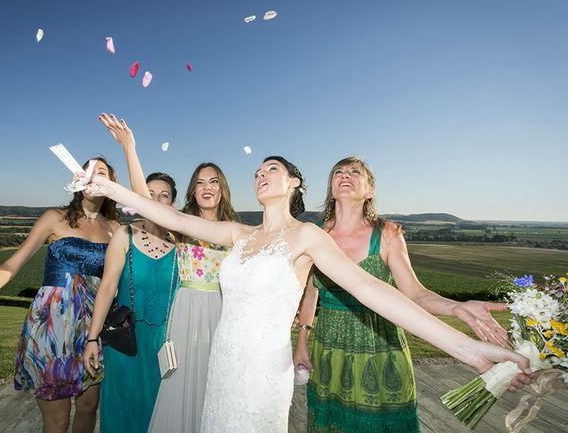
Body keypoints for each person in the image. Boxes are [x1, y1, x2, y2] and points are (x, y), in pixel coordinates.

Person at [83, 155, 531, 433]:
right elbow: (175, 221)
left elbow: (374, 290)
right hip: (223, 363)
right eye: (257, 172)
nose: (261, 175)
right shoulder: (239, 233)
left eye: (272, 170)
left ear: (294, 183)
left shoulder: (309, 239)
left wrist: (467, 349)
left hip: (262, 372)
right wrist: (107, 188)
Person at [294, 156, 526, 433]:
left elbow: (415, 293)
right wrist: (302, 343)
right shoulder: (314, 234)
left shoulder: (388, 234)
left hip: (381, 346)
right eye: (338, 172)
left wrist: (457, 307)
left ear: (369, 190)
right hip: (329, 346)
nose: (345, 175)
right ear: (331, 188)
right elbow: (310, 294)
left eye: (355, 172)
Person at [0, 158, 119, 433]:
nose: (95, 177)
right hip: (51, 326)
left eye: (102, 173)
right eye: (90, 171)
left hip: (94, 327)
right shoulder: (54, 218)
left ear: (112, 185)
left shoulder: (114, 228)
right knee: (56, 420)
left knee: (88, 408)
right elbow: (12, 265)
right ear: (79, 179)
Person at [84, 172, 179, 432]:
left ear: (173, 205)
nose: (156, 200)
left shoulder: (182, 244)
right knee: (122, 411)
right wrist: (92, 338)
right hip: (126, 342)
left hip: (167, 344)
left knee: (161, 413)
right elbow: (107, 288)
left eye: (164, 195)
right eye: (149, 195)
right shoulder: (125, 235)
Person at [148, 162, 237, 433]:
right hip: (187, 309)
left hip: (223, 311)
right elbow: (145, 202)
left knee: (217, 380)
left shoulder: (234, 230)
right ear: (192, 190)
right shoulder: (180, 225)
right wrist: (129, 147)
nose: (207, 187)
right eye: (200, 182)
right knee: (183, 378)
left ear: (222, 189)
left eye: (213, 181)